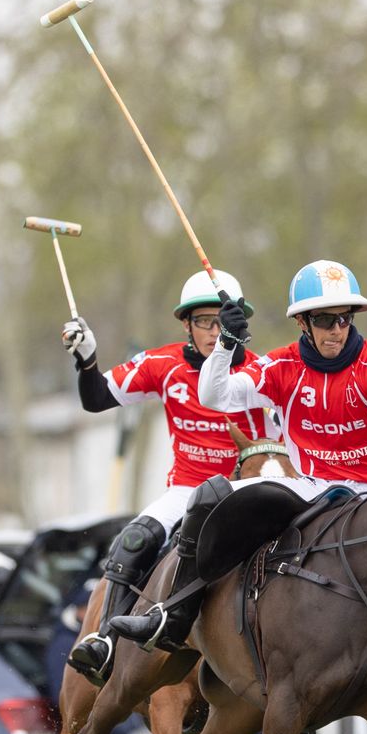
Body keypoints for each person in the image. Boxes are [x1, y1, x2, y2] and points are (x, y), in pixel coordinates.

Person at [126, 259, 367, 722]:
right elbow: (215, 395)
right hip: (313, 494)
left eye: (344, 319)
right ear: (304, 322)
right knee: (213, 498)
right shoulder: (281, 367)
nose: (336, 330)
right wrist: (226, 344)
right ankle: (175, 615)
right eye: (325, 320)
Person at [58, 271, 275, 684]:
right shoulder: (163, 365)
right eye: (204, 322)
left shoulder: (261, 374)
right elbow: (96, 399)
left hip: (244, 495)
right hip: (187, 491)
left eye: (223, 322)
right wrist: (86, 360)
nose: (214, 332)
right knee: (134, 539)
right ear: (186, 325)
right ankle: (104, 642)